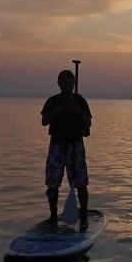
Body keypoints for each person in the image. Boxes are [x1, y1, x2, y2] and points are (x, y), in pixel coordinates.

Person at [41, 70, 92, 224]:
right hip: (57, 145)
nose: (67, 86)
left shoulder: (80, 101)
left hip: (76, 145)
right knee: (52, 183)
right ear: (59, 83)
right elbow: (44, 121)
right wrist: (60, 109)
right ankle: (53, 215)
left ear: (73, 83)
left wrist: (78, 111)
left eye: (70, 83)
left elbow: (88, 122)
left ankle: (83, 214)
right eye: (64, 83)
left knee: (81, 183)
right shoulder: (53, 101)